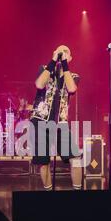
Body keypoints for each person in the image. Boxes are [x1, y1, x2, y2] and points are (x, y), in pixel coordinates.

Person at [30, 45, 82, 190]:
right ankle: (48, 194)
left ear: (70, 58)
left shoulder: (74, 76)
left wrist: (64, 64)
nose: (61, 54)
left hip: (61, 123)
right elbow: (39, 84)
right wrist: (53, 61)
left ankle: (78, 194)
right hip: (40, 121)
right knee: (44, 162)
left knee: (76, 158)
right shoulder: (45, 69)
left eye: (65, 52)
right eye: (59, 51)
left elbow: (71, 89)